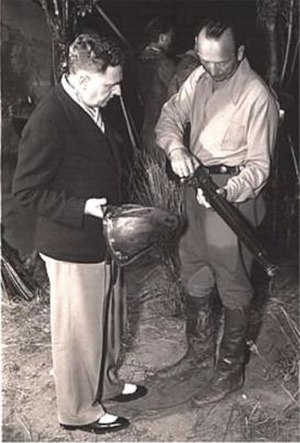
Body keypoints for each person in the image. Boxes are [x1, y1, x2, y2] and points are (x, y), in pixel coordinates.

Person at [12, 33, 147, 434]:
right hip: (71, 243)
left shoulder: (88, 103)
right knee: (78, 332)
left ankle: (103, 382)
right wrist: (80, 208)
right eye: (111, 84)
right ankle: (77, 410)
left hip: (101, 240)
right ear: (84, 79)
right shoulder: (50, 119)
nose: (118, 92)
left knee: (106, 320)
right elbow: (26, 191)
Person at [156, 18, 279, 406]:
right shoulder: (199, 78)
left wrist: (228, 191)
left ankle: (228, 371)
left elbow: (260, 167)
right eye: (204, 60)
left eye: (220, 63)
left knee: (232, 281)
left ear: (239, 54)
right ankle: (196, 356)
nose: (211, 70)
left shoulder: (258, 96)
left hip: (234, 198)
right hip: (197, 188)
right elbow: (170, 117)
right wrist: (176, 148)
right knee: (194, 268)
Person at [137, 16, 176, 160]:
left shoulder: (137, 62)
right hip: (160, 129)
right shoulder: (165, 65)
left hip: (142, 128)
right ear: (162, 37)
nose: (172, 40)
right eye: (170, 36)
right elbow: (181, 94)